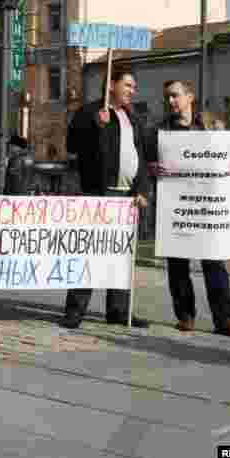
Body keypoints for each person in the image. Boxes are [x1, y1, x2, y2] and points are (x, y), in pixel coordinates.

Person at [147, 80, 230, 339]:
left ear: (189, 97)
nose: (171, 101)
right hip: (177, 206)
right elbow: (148, 164)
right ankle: (185, 316)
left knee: (214, 262)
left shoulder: (210, 126)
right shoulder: (160, 132)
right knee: (178, 264)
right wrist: (152, 168)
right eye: (167, 97)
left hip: (207, 208)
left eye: (175, 96)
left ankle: (225, 319)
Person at [60, 67, 150, 329]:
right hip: (99, 193)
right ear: (111, 84)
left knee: (120, 255)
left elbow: (140, 156)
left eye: (134, 87)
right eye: (128, 85)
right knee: (89, 252)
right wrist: (95, 125)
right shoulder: (89, 112)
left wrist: (142, 189)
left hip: (126, 197)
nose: (132, 91)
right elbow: (73, 145)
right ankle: (75, 310)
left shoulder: (132, 118)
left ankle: (118, 310)